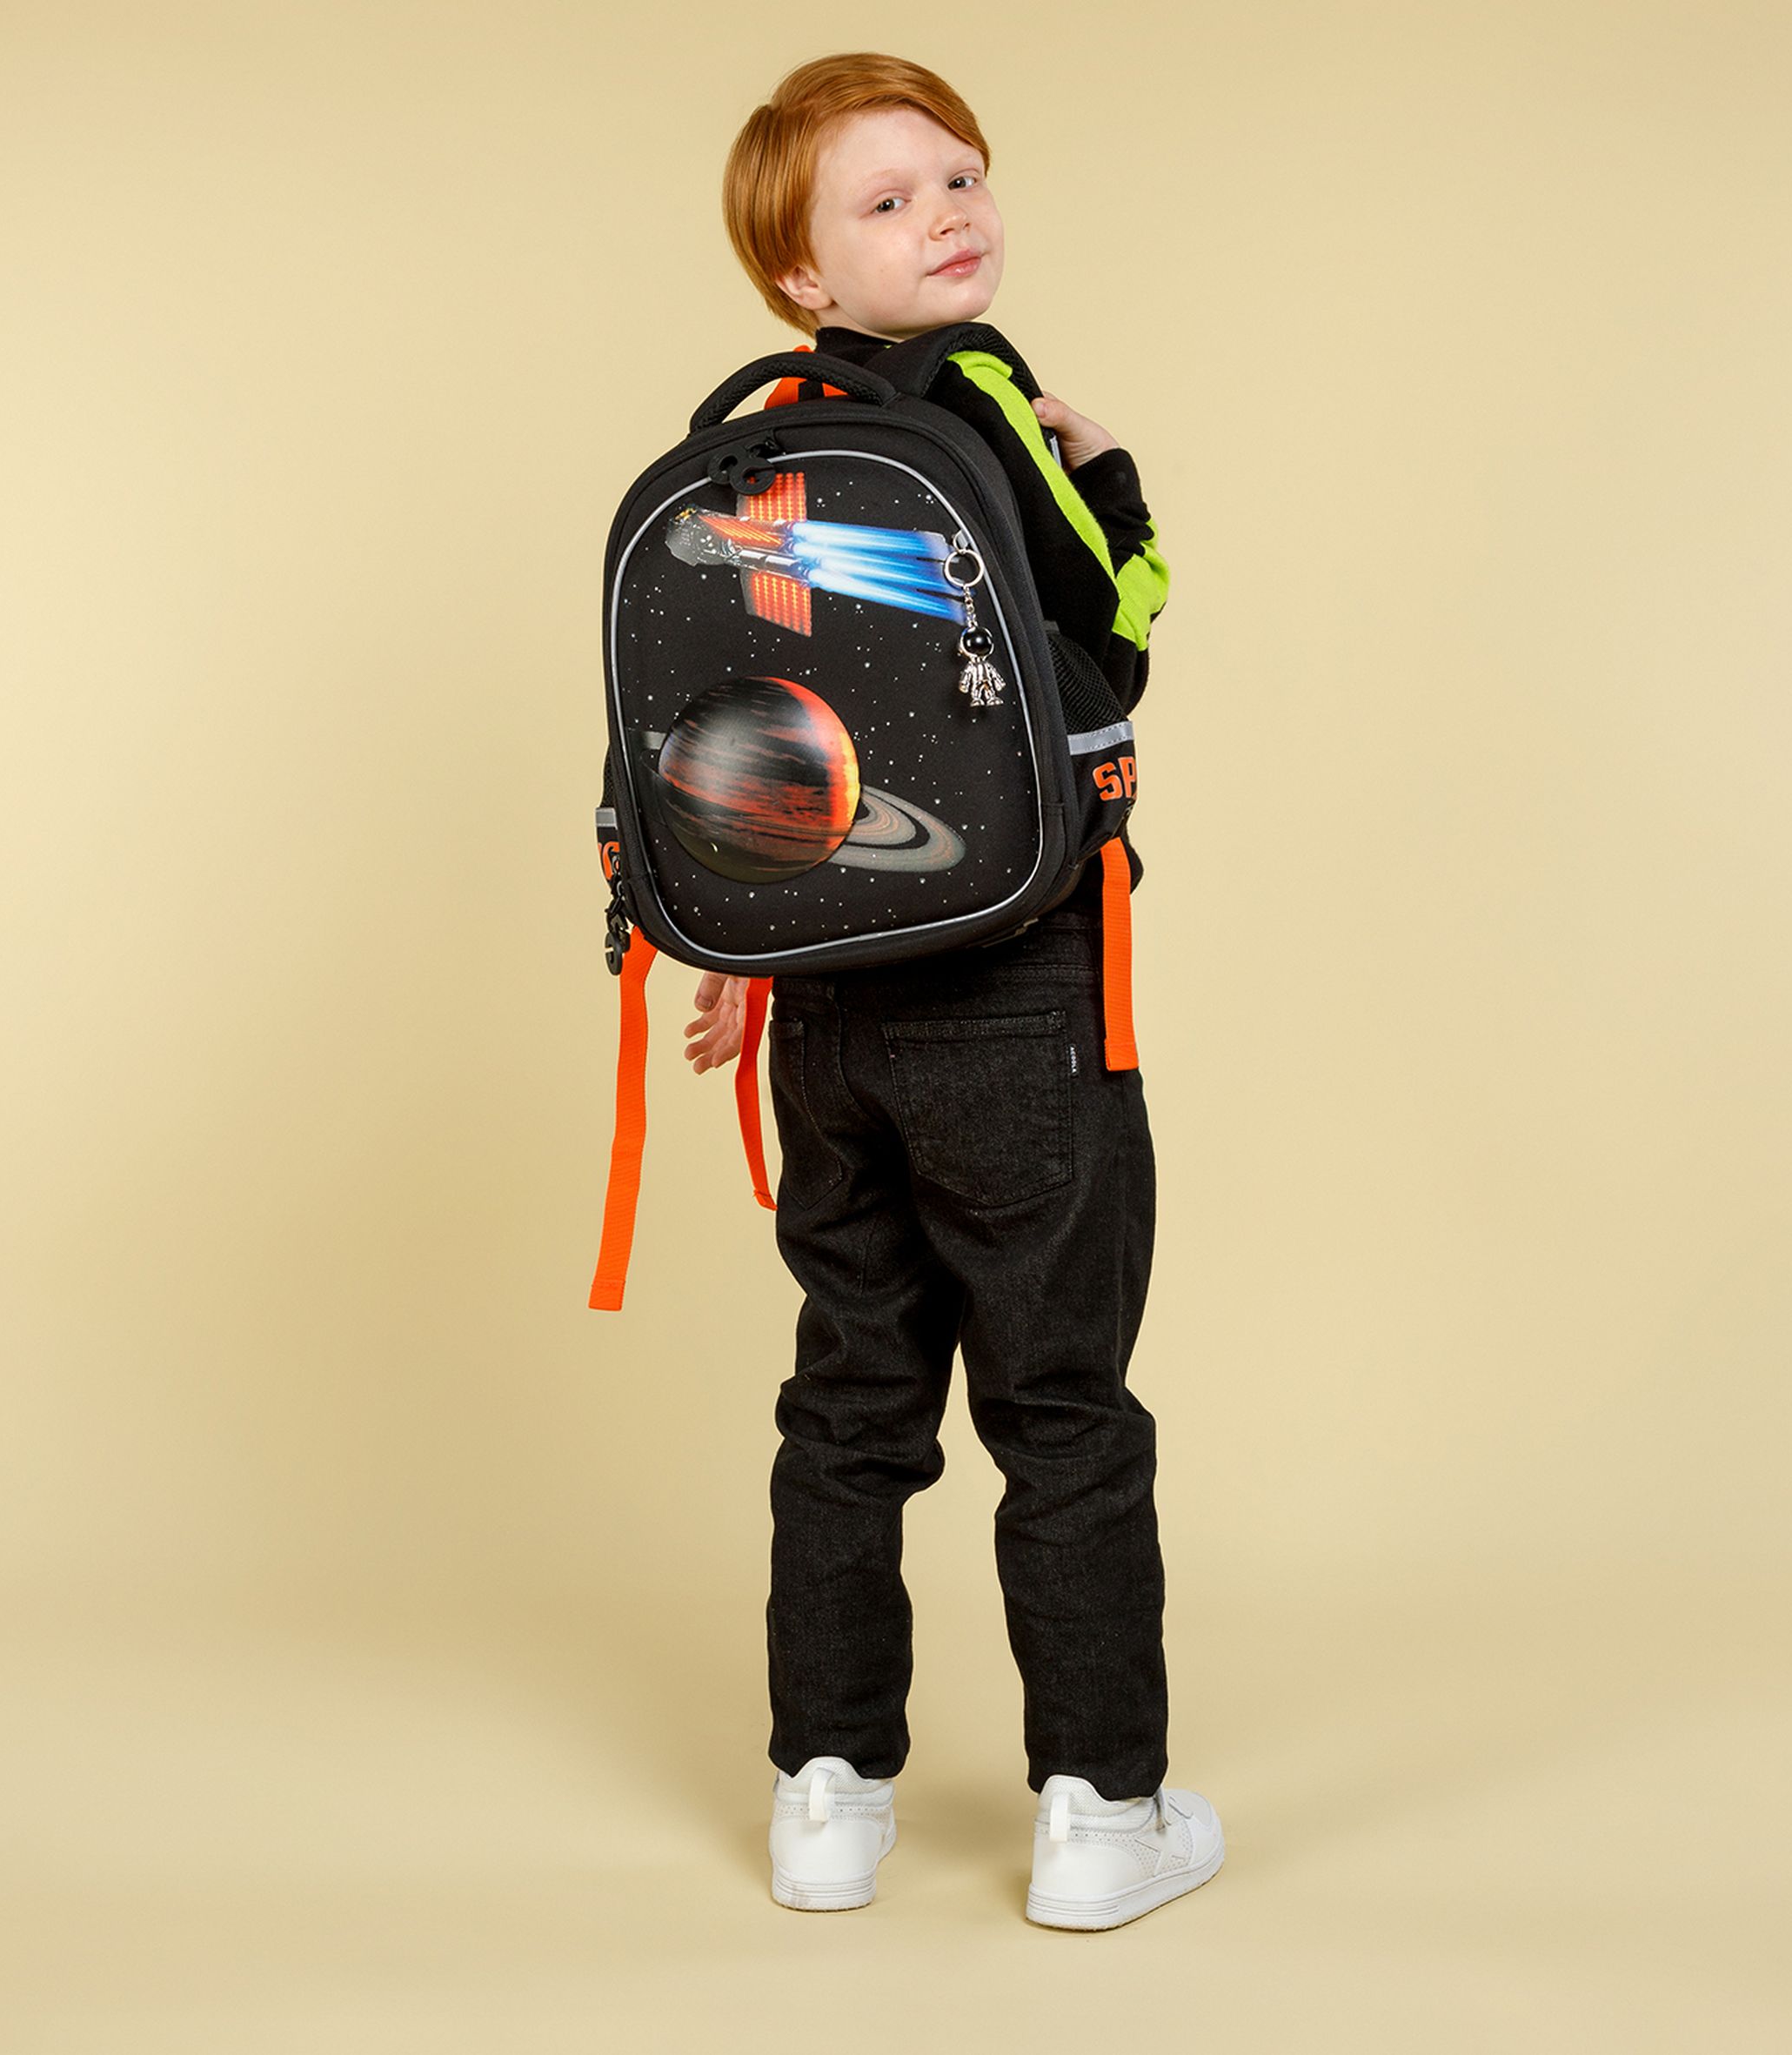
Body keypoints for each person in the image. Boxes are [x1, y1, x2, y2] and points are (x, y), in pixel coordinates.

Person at [699, 53, 1223, 1931]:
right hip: (1016, 992)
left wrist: (737, 953)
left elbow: (750, 737)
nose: (947, 214)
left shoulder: (756, 447)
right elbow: (1113, 643)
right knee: (1059, 1404)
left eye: (961, 176)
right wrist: (1112, 475)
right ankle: (1099, 1813)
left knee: (848, 1403)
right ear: (803, 272)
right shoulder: (986, 396)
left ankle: (823, 1797)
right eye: (889, 199)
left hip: (826, 1010)